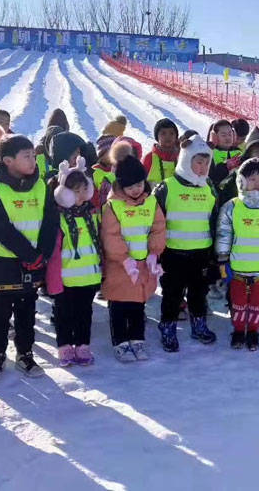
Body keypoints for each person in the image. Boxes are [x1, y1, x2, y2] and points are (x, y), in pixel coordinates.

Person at [0, 135, 60, 381]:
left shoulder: (40, 186)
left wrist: (41, 255)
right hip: (1, 262)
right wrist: (28, 254)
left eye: (33, 156)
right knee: (0, 312)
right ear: (8, 161)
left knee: (27, 309)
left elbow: (50, 221)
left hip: (33, 262)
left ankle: (25, 353)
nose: (33, 160)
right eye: (26, 156)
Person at [153, 135, 217, 352]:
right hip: (174, 253)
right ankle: (168, 326)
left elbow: (214, 219)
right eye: (198, 162)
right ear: (186, 159)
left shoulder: (208, 186)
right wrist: (156, 252)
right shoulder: (167, 187)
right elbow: (155, 221)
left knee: (199, 293)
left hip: (200, 252)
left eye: (206, 162)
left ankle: (199, 324)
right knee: (172, 294)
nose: (202, 167)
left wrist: (214, 253)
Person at [100, 155, 166, 362]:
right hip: (120, 265)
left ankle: (137, 338)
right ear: (121, 186)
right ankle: (120, 341)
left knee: (138, 304)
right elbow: (111, 235)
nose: (136, 189)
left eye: (139, 184)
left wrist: (154, 253)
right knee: (119, 304)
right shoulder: (112, 206)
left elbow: (158, 227)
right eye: (130, 186)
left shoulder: (151, 201)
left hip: (143, 263)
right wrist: (124, 258)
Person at [215, 157, 259, 351]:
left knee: (257, 303)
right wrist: (223, 262)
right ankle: (238, 330)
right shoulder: (232, 207)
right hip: (237, 268)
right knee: (238, 303)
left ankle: (253, 331)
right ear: (242, 181)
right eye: (252, 179)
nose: (257, 183)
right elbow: (224, 235)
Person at [45, 160, 102, 366]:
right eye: (75, 191)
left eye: (83, 189)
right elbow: (53, 254)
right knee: (63, 315)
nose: (80, 195)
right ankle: (65, 346)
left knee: (85, 314)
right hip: (66, 279)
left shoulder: (92, 214)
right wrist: (53, 282)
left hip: (88, 277)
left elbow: (97, 245)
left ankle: (82, 345)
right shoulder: (58, 218)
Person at [143, 118, 179, 188]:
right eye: (163, 133)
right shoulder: (149, 158)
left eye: (171, 133)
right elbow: (139, 182)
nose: (168, 136)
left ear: (176, 137)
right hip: (154, 198)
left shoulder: (181, 157)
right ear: (157, 136)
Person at [207, 120, 242, 184]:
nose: (228, 138)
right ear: (214, 137)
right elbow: (211, 178)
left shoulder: (238, 152)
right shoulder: (210, 153)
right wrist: (226, 166)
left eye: (230, 134)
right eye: (223, 135)